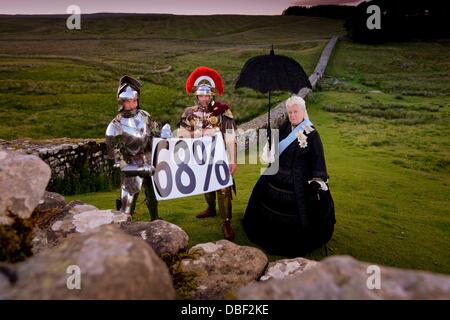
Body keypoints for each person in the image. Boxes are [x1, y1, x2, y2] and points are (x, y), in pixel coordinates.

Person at [243, 95, 335, 256]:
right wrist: (271, 139)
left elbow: (318, 160)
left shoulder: (312, 134)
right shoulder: (285, 127)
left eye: (295, 112)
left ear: (303, 111)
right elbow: (276, 151)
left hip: (300, 181)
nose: (292, 115)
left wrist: (317, 179)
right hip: (277, 174)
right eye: (290, 112)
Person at [178, 66, 237, 241]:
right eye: (201, 95)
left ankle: (226, 221)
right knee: (206, 185)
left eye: (207, 95)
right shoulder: (189, 113)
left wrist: (233, 160)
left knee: (224, 188)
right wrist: (202, 133)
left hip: (219, 157)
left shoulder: (222, 111)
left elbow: (230, 137)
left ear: (212, 95)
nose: (204, 98)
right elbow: (181, 134)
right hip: (199, 156)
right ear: (196, 96)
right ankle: (211, 209)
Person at [105, 75, 160, 220]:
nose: (132, 104)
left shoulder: (145, 116)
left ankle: (155, 221)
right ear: (121, 102)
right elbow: (117, 162)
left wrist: (164, 135)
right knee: (126, 210)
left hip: (150, 163)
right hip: (130, 168)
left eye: (135, 100)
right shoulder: (113, 127)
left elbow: (156, 135)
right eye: (128, 101)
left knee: (153, 196)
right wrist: (139, 169)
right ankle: (124, 233)